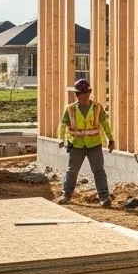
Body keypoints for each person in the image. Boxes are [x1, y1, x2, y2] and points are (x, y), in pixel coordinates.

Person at [56, 78, 115, 206]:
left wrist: (111, 138)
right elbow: (63, 124)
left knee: (98, 171)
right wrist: (61, 139)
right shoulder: (70, 109)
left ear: (89, 93)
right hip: (76, 145)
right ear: (76, 95)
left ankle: (104, 198)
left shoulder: (97, 108)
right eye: (79, 94)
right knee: (72, 171)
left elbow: (105, 123)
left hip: (94, 144)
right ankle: (66, 195)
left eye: (84, 94)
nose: (82, 97)